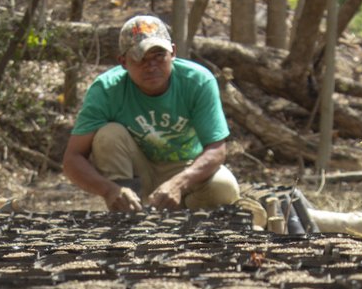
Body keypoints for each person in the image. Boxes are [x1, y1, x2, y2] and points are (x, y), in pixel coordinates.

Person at [62, 15, 240, 213]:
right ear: (123, 61)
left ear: (173, 52)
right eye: (140, 58)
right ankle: (128, 213)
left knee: (225, 187)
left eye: (159, 56)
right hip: (138, 170)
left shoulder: (197, 81)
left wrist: (178, 184)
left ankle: (178, 216)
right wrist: (109, 190)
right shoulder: (106, 89)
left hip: (185, 168)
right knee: (108, 135)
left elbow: (217, 148)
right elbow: (72, 158)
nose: (151, 66)